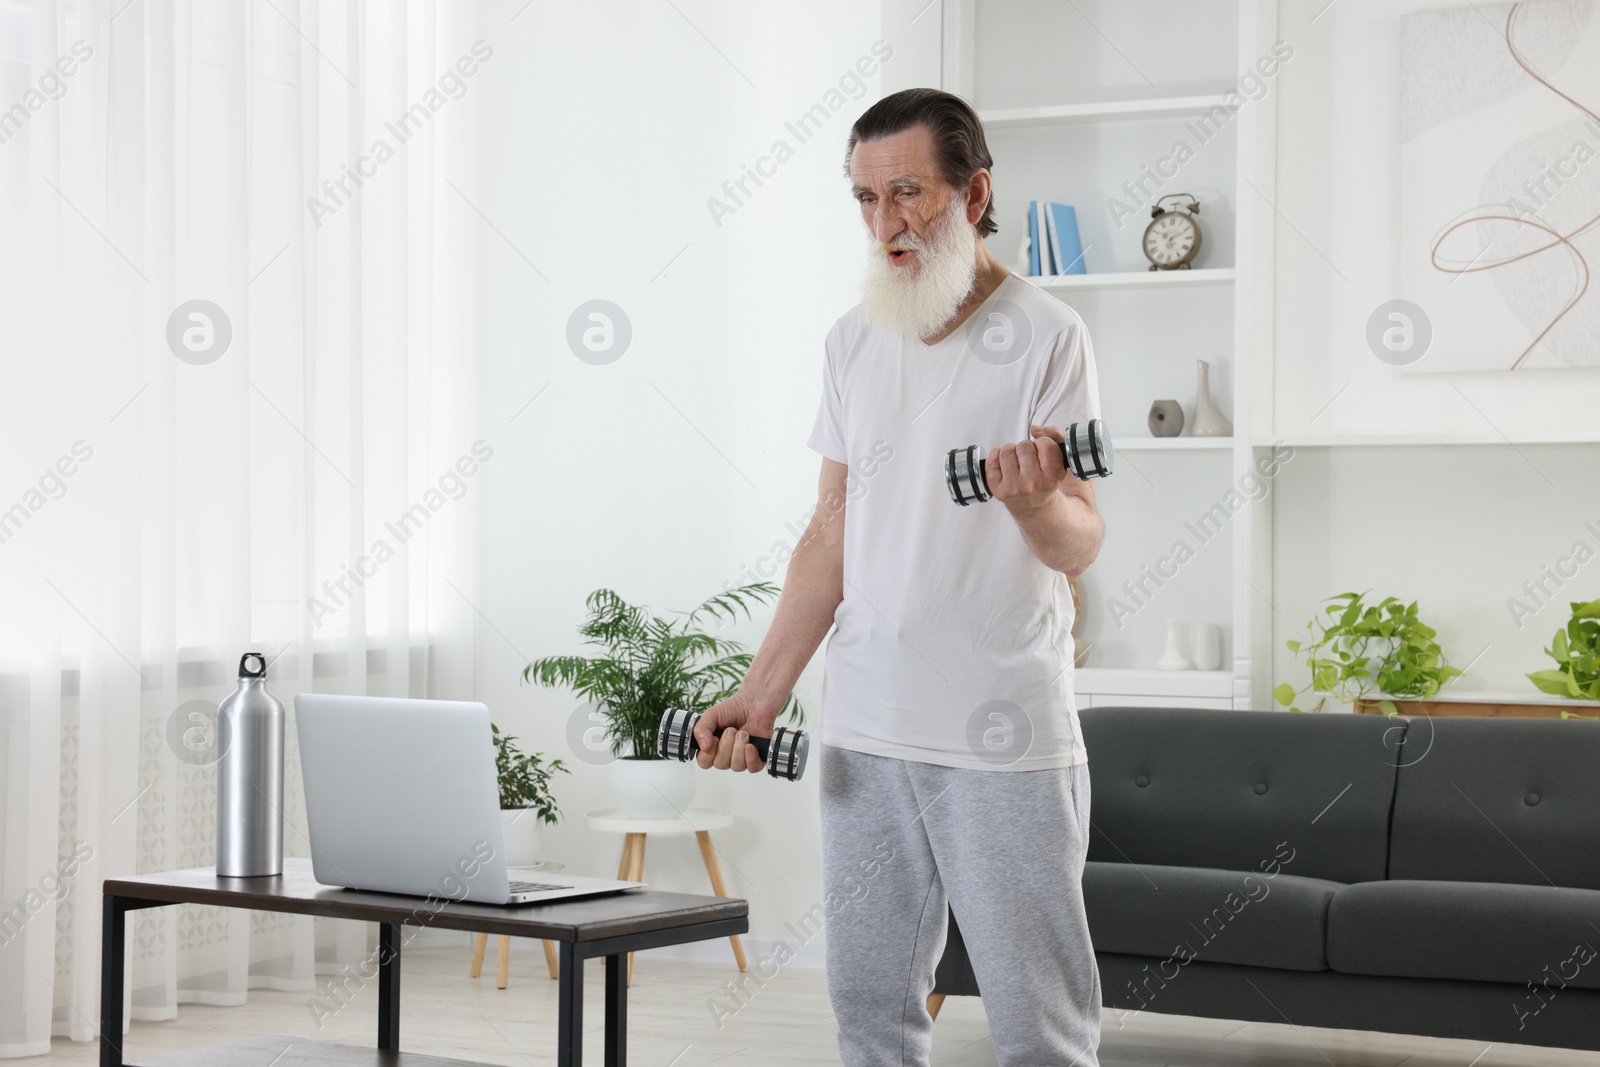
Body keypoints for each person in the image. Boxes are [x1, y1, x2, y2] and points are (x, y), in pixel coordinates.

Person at [693, 87, 1105, 1067]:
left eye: (909, 193)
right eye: (867, 199)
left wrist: (1030, 499)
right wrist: (760, 694)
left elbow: (1081, 539)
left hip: (999, 730)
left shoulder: (1050, 334)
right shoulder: (851, 340)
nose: (888, 223)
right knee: (870, 1008)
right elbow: (829, 533)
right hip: (864, 729)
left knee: (1037, 1025)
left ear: (973, 193)